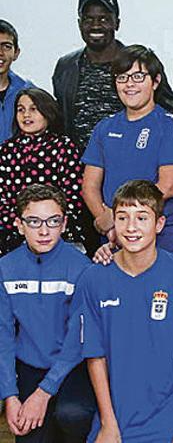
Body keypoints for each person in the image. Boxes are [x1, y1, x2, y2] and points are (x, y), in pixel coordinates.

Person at [79, 180, 173, 442]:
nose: (131, 227)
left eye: (142, 217)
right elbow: (95, 355)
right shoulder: (94, 278)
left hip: (171, 410)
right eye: (122, 217)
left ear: (159, 224)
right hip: (117, 413)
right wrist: (108, 422)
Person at [0, 184, 95, 442]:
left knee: (71, 414)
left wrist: (44, 393)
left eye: (53, 221)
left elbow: (79, 337)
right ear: (19, 225)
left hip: (72, 366)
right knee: (25, 425)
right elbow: (3, 336)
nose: (44, 231)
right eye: (34, 221)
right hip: (29, 366)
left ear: (64, 224)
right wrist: (10, 396)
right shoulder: (6, 268)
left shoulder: (81, 268)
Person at [81, 45, 173, 255]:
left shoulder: (168, 125)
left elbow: (166, 186)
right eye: (122, 78)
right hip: (114, 237)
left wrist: (120, 216)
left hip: (160, 235)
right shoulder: (105, 127)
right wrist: (108, 222)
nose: (129, 84)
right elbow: (90, 186)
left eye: (138, 76)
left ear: (155, 81)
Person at [52, 0, 173, 149]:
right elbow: (59, 120)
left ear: (117, 23)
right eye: (88, 19)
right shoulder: (66, 66)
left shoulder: (140, 63)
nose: (96, 26)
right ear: (79, 24)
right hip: (79, 167)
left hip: (132, 161)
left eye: (104, 19)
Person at [0, 88, 85, 254]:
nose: (26, 115)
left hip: (60, 234)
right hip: (13, 235)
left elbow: (73, 198)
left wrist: (47, 225)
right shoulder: (5, 151)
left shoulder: (64, 147)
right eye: (20, 110)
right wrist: (24, 226)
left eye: (33, 109)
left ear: (47, 112)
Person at [0, 20, 33, 145]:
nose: (0, 53)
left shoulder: (28, 91)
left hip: (19, 162)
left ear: (16, 53)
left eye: (6, 46)